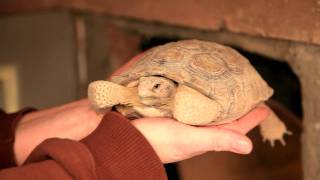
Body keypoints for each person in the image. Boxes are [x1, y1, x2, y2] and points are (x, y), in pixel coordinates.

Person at [0, 54, 270, 179]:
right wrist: (126, 153)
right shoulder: (138, 90)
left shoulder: (184, 98)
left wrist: (89, 115)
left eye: (156, 86)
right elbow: (101, 91)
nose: (144, 89)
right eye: (144, 84)